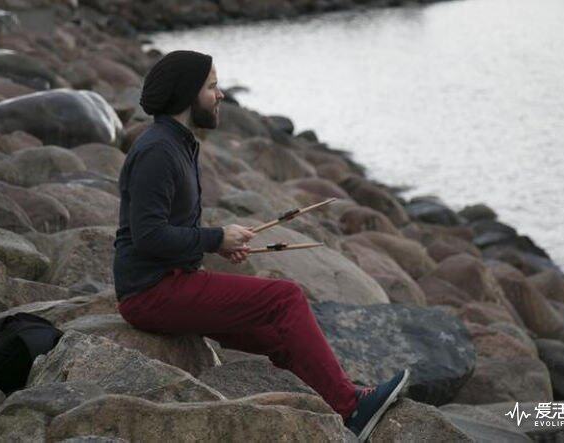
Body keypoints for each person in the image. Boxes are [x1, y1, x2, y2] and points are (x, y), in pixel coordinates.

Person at [113, 49, 409, 442]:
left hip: (168, 280)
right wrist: (216, 237)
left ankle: (339, 402)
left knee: (278, 334)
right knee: (285, 298)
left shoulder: (178, 143)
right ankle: (352, 409)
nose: (221, 95)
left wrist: (215, 246)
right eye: (212, 87)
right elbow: (149, 236)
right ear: (187, 94)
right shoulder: (158, 151)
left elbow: (170, 229)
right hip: (151, 292)